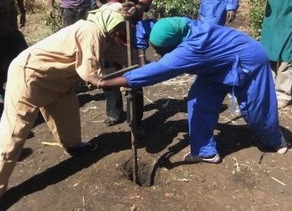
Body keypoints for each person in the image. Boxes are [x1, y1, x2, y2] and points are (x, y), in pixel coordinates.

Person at [90, 17, 288, 165]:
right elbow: (144, 27)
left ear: (174, 45)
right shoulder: (179, 25)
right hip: (214, 67)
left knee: (256, 108)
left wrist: (104, 83)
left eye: (160, 51)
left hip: (248, 60)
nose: (158, 54)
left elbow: (159, 71)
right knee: (198, 101)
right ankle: (205, 151)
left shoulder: (192, 48)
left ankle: (274, 140)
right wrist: (139, 44)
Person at [0, 3, 130, 208]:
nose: (118, 32)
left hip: (57, 81)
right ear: (109, 21)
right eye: (118, 27)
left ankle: (72, 144)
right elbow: (90, 75)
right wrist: (120, 81)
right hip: (30, 76)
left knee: (68, 111)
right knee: (14, 133)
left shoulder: (104, 35)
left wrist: (146, 68)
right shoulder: (90, 30)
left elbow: (125, 55)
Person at [102, 0, 156, 136]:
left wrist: (136, 8)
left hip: (131, 39)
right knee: (110, 74)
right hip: (111, 37)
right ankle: (114, 112)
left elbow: (143, 4)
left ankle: (135, 120)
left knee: (135, 79)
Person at [260, 0, 292, 109]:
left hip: (289, 20)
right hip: (272, 20)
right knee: (270, 53)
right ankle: (271, 89)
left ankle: (283, 93)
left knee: (287, 57)